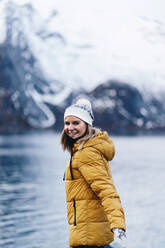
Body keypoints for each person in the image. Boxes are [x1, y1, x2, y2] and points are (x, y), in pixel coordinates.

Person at [61, 98, 126, 248]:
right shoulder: (81, 150)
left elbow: (106, 190)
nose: (70, 127)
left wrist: (118, 224)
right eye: (67, 123)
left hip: (88, 237)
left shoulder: (86, 153)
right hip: (91, 232)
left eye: (76, 123)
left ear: (87, 124)